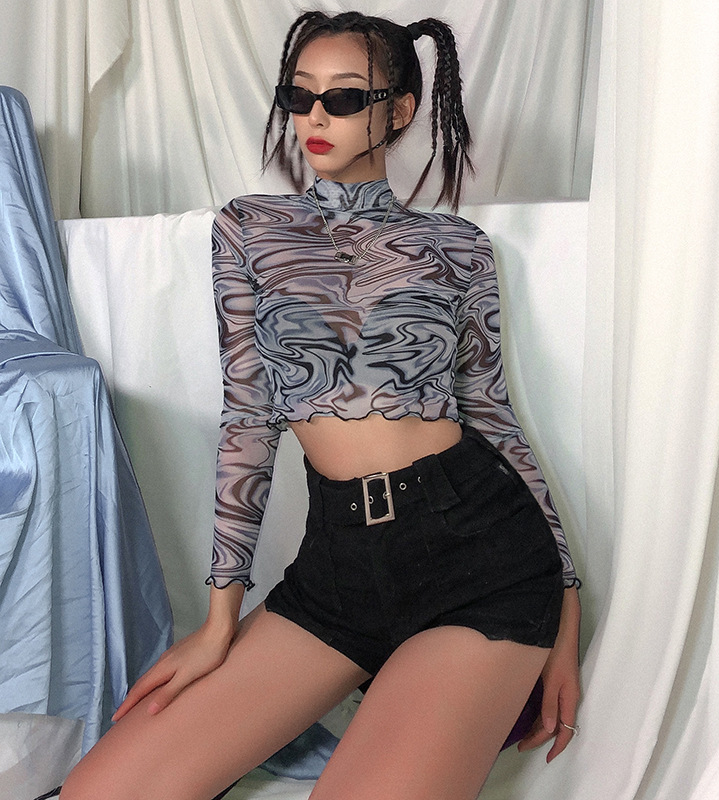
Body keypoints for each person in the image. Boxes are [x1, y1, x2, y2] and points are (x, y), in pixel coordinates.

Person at [59, 11, 581, 800]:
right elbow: (248, 420)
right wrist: (219, 621)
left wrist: (567, 614)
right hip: (336, 568)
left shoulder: (459, 246)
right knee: (102, 792)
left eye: (342, 99)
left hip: (482, 557)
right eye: (299, 97)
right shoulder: (249, 228)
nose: (314, 117)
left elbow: (495, 418)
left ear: (398, 110)